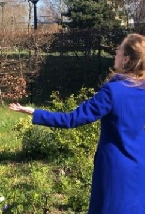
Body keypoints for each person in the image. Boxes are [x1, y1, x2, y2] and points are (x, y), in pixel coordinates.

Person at [9, 33, 145, 214]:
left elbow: (72, 119)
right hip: (138, 163)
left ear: (126, 60)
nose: (115, 53)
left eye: (118, 50)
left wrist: (34, 112)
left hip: (115, 169)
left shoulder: (113, 91)